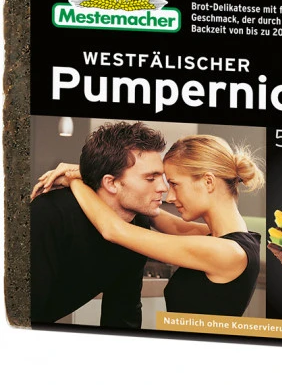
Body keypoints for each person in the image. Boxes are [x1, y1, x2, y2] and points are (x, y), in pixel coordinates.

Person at [35, 133, 265, 317]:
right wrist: (95, 175)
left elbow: (113, 230)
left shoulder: (226, 252)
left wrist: (75, 181)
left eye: (174, 184)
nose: (169, 196)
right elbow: (160, 218)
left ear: (208, 182)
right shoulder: (227, 238)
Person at [30, 121, 208, 328]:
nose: (163, 188)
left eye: (162, 177)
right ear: (111, 183)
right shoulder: (48, 214)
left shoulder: (138, 224)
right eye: (151, 178)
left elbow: (123, 315)